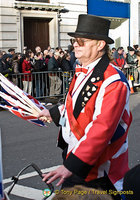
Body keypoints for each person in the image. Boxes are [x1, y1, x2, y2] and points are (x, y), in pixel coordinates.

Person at [38, 14, 132, 200]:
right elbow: (76, 105)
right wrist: (52, 112)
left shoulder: (113, 79)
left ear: (100, 45)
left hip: (97, 167)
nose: (75, 44)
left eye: (81, 41)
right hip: (78, 157)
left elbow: (102, 128)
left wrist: (71, 166)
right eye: (74, 40)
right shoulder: (82, 69)